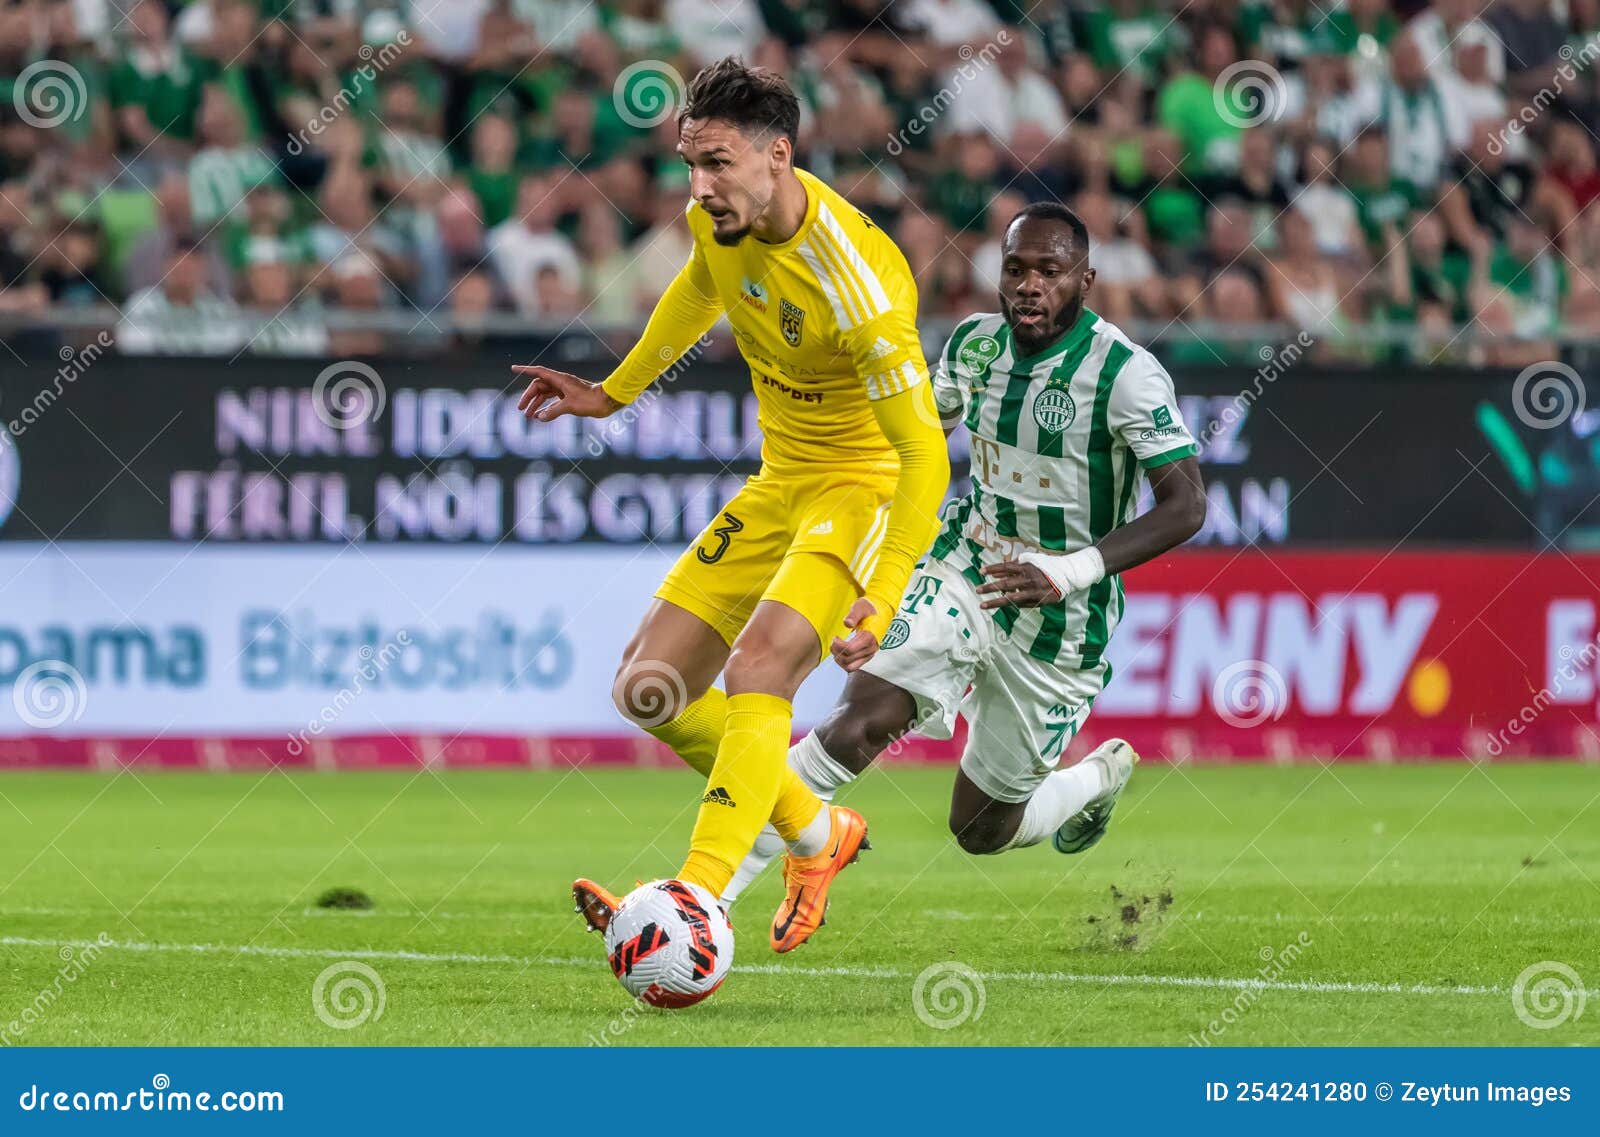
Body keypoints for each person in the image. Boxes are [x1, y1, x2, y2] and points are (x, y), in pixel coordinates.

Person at [513, 58, 949, 953]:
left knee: (759, 674)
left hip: (857, 488)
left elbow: (925, 457)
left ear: (778, 156)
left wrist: (890, 585)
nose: (699, 187)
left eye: (716, 164)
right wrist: (615, 391)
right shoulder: (719, 221)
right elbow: (697, 290)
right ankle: (822, 836)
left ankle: (693, 899)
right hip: (780, 480)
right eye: (690, 164)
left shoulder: (858, 288)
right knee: (650, 688)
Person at [719, 203, 1207, 904]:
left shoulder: (1126, 375)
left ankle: (1096, 776)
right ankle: (706, 898)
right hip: (967, 567)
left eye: (1050, 270)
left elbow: (1187, 505)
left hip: (1062, 619)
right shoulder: (975, 345)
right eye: (1016, 269)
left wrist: (1067, 571)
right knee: (859, 723)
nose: (1030, 285)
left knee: (979, 827)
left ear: (1086, 279)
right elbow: (912, 438)